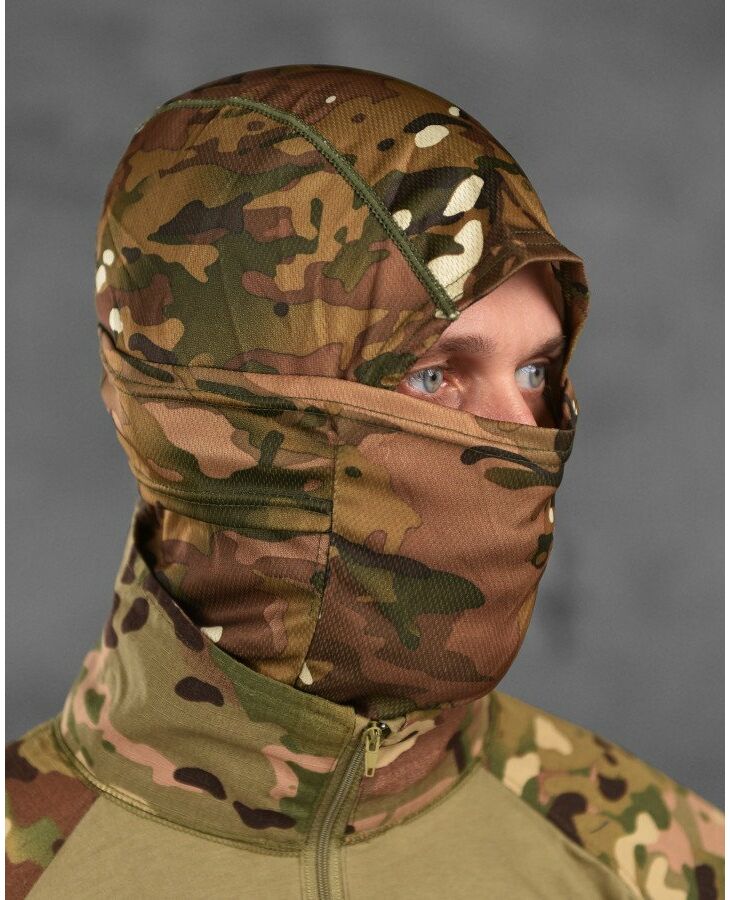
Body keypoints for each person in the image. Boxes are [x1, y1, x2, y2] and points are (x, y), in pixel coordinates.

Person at [5, 63, 723, 900]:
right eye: (434, 376)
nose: (523, 438)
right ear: (213, 423)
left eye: (536, 373)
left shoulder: (656, 855)